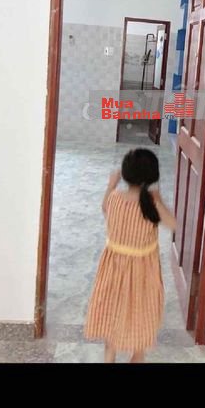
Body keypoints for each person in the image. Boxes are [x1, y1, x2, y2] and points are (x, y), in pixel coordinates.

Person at [84, 148, 176, 363]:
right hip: (143, 273)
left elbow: (104, 207)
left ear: (125, 174)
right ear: (152, 176)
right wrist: (159, 199)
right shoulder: (151, 204)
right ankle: (137, 355)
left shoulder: (114, 198)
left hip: (113, 269)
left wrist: (111, 185)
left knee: (112, 313)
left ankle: (109, 357)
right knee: (140, 317)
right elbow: (173, 224)